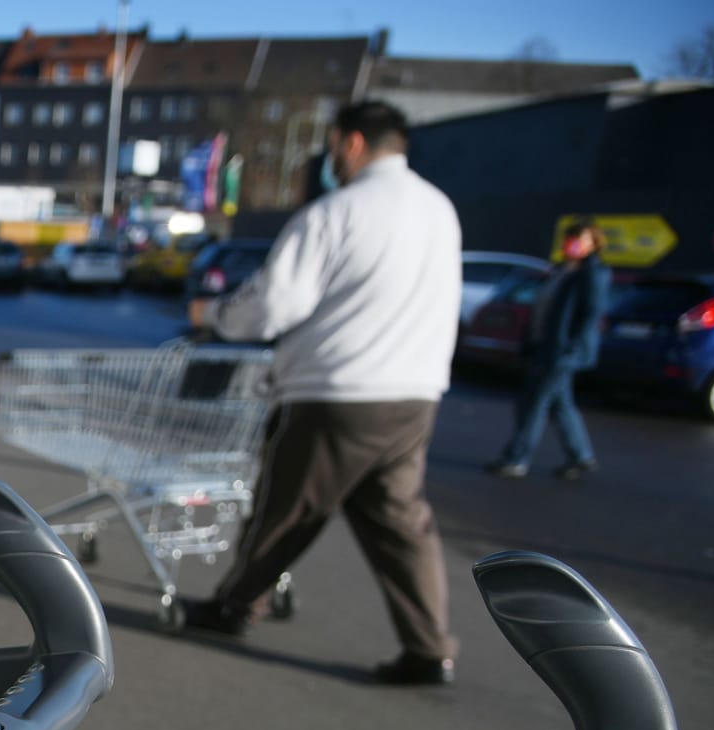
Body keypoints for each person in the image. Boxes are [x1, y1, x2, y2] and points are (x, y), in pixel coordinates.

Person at [184, 100, 463, 686]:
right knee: (399, 522)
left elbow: (276, 305)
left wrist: (215, 315)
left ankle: (234, 606)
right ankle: (429, 646)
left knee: (285, 509)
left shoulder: (338, 211)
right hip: (414, 391)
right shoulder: (440, 209)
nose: (330, 157)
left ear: (352, 143)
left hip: (338, 390)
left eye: (332, 144)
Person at [487, 219, 612, 480]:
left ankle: (516, 459)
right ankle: (581, 456)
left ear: (594, 243)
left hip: (562, 352)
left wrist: (571, 348)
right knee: (561, 404)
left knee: (534, 402)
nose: (573, 243)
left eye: (581, 239)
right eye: (571, 237)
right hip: (544, 346)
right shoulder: (561, 270)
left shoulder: (593, 273)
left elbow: (590, 314)